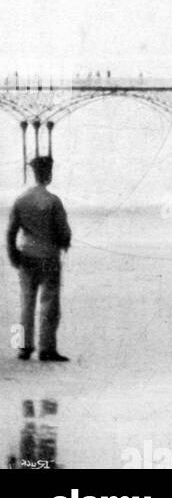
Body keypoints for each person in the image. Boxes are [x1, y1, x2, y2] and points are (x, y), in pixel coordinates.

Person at [6, 155, 72, 362]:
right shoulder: (53, 201)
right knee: (49, 303)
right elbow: (63, 231)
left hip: (26, 256)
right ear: (48, 174)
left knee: (26, 303)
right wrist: (64, 243)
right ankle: (47, 349)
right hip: (49, 257)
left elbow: (11, 231)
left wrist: (13, 254)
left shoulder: (21, 200)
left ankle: (23, 349)